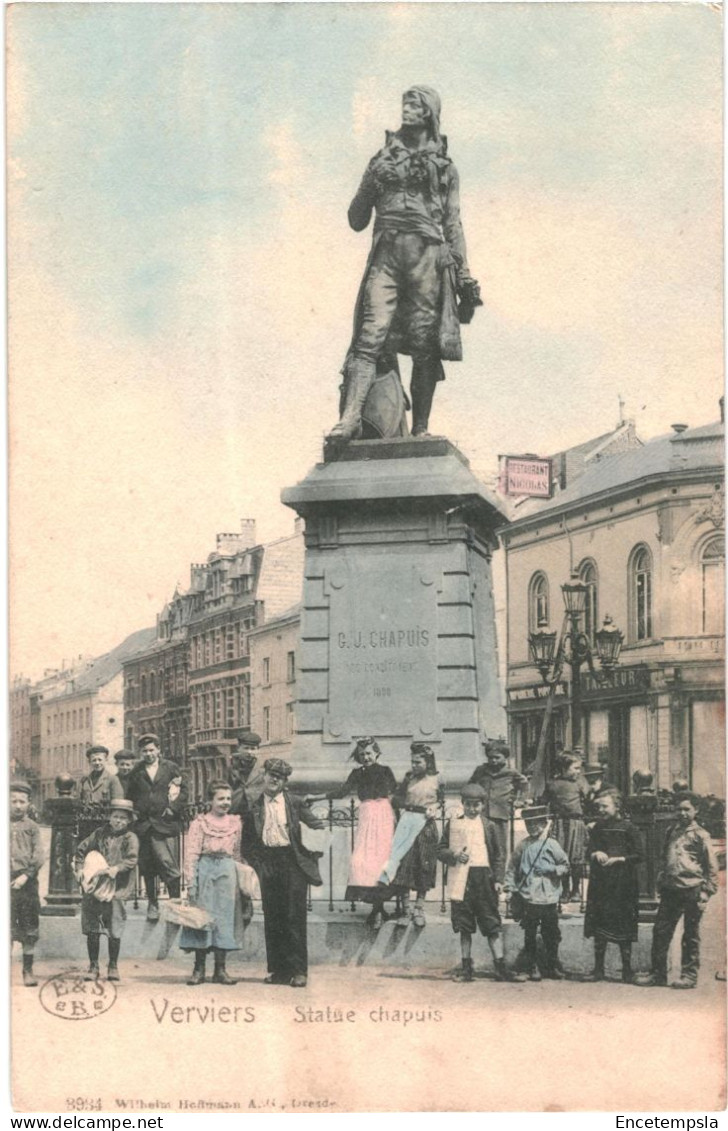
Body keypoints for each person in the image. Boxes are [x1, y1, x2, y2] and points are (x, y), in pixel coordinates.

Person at [328, 85, 482, 442]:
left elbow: (453, 223)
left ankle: (421, 430)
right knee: (369, 335)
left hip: (428, 259)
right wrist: (370, 185)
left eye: (414, 105)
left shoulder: (445, 168)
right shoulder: (381, 160)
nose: (406, 110)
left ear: (429, 112)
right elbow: (355, 219)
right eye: (404, 104)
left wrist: (464, 275)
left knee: (425, 346)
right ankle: (350, 418)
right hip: (387, 257)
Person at [243, 759, 325, 988]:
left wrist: (308, 855)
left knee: (294, 916)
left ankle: (299, 971)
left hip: (292, 862)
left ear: (285, 781)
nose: (274, 779)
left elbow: (318, 828)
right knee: (273, 917)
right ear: (264, 776)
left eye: (279, 776)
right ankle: (278, 970)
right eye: (270, 774)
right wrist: (258, 865)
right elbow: (247, 841)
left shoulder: (295, 803)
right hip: (268, 862)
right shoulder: (255, 805)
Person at [307, 737, 397, 930]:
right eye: (362, 754)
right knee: (364, 861)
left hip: (384, 815)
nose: (366, 757)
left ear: (377, 753)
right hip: (366, 815)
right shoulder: (357, 773)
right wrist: (316, 797)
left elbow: (395, 795)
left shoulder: (385, 771)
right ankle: (377, 909)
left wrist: (398, 817)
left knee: (382, 860)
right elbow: (342, 792)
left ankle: (379, 910)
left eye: (369, 753)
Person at [635, 793, 719, 990]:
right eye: (679, 809)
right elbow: (665, 858)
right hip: (671, 889)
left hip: (693, 889)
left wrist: (706, 892)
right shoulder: (671, 831)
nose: (682, 813)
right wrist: (661, 880)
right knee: (661, 931)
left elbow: (712, 868)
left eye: (687, 809)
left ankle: (689, 976)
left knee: (690, 934)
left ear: (696, 811)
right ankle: (658, 974)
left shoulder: (701, 835)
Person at [437, 783, 511, 982]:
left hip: (484, 878)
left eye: (476, 805)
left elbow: (498, 855)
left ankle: (500, 968)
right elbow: (441, 850)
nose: (472, 809)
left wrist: (498, 880)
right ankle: (467, 968)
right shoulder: (453, 824)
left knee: (491, 923)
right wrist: (453, 855)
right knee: (464, 925)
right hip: (462, 879)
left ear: (483, 805)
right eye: (468, 804)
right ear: (462, 804)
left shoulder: (489, 826)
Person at [181, 780, 249, 987]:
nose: (225, 803)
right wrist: (191, 881)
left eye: (228, 799)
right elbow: (191, 853)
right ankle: (198, 969)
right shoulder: (199, 823)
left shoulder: (235, 823)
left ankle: (221, 969)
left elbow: (237, 853)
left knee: (225, 918)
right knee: (203, 918)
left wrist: (240, 879)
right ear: (211, 800)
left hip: (227, 872)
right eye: (220, 799)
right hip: (206, 870)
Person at [73, 799, 139, 982]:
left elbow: (131, 860)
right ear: (109, 817)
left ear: (129, 821)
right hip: (95, 886)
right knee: (92, 926)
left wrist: (116, 869)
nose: (118, 821)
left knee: (114, 927)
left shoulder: (130, 838)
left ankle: (113, 965)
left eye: (123, 818)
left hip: (117, 887)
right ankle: (93, 965)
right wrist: (79, 869)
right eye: (115, 817)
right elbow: (81, 850)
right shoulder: (99, 834)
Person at [125, 733, 188, 921]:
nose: (148, 754)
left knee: (168, 864)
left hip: (165, 825)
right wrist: (134, 813)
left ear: (159, 750)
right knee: (147, 866)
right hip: (144, 827)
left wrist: (173, 809)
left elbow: (184, 791)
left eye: (152, 750)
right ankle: (153, 904)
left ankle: (176, 904)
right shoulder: (136, 772)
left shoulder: (171, 768)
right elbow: (130, 796)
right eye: (144, 751)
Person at [504, 804, 570, 982]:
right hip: (529, 897)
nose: (532, 827)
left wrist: (551, 869)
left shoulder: (552, 845)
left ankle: (552, 964)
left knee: (551, 933)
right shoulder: (522, 845)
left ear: (544, 823)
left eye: (536, 823)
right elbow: (511, 868)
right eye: (528, 824)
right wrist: (510, 888)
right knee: (530, 933)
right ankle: (531, 966)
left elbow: (565, 865)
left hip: (548, 897)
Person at [583, 790, 642, 983]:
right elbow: (589, 850)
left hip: (622, 884)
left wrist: (620, 859)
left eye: (605, 806)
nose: (600, 810)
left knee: (623, 924)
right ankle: (598, 969)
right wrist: (596, 853)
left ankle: (627, 971)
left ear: (617, 807)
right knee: (600, 924)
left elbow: (640, 855)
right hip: (601, 884)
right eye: (598, 806)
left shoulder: (629, 828)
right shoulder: (597, 828)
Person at [383, 743, 443, 927]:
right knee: (404, 865)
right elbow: (396, 799)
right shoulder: (408, 778)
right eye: (412, 761)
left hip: (426, 826)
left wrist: (435, 807)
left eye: (418, 762)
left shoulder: (438, 779)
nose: (414, 765)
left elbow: (441, 800)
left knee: (424, 865)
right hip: (407, 824)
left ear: (428, 762)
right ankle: (406, 909)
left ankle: (419, 908)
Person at [469, 738, 528, 864]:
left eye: (497, 757)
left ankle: (498, 881)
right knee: (482, 847)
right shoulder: (481, 771)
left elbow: (524, 786)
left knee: (499, 850)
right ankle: (486, 880)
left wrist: (519, 801)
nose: (493, 761)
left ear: (505, 757)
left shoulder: (511, 773)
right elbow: (470, 786)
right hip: (482, 815)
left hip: (501, 815)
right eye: (490, 758)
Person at [10, 781, 44, 987]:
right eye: (13, 801)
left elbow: (38, 855)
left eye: (22, 801)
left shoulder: (32, 827)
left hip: (26, 881)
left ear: (29, 803)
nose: (17, 805)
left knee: (28, 926)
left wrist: (26, 876)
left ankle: (27, 970)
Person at [544, 751, 588, 902]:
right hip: (560, 824)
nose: (578, 771)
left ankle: (576, 890)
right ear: (563, 768)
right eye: (575, 768)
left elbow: (588, 802)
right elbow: (545, 802)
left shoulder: (581, 783)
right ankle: (564, 890)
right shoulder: (552, 784)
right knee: (560, 857)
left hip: (576, 823)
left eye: (579, 768)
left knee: (576, 858)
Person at [228, 731, 265, 813]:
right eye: (246, 748)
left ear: (258, 750)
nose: (249, 752)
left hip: (255, 813)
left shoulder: (263, 770)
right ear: (238, 748)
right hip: (234, 811)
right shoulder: (231, 767)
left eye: (253, 749)